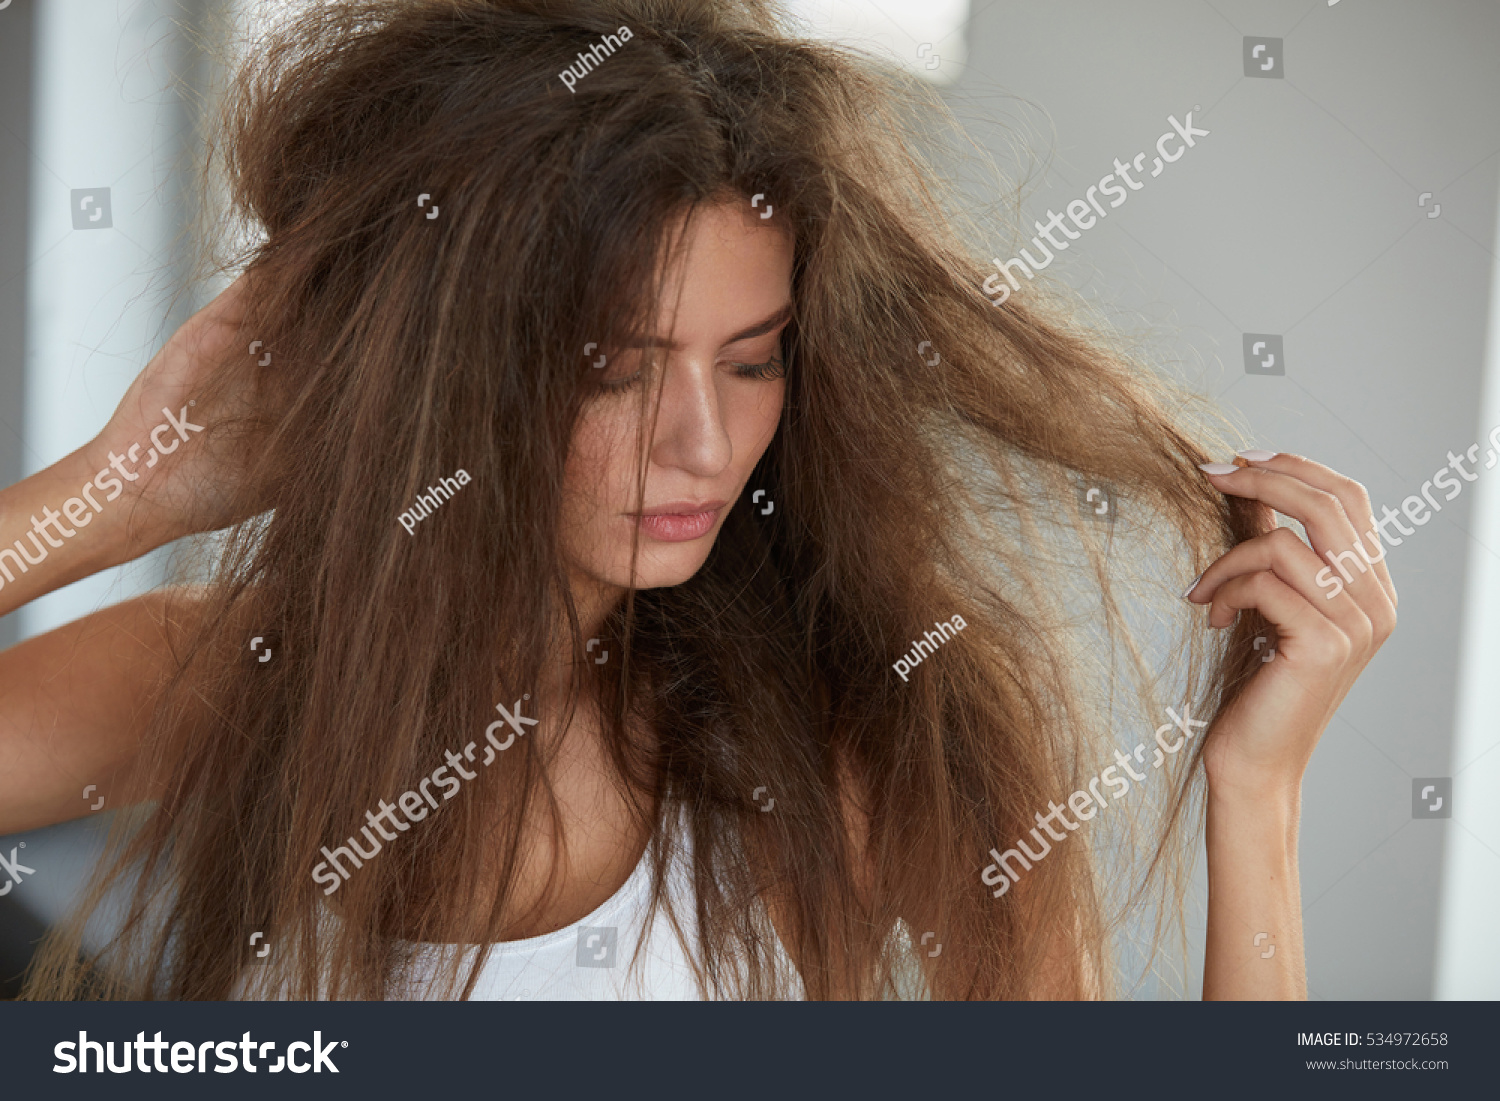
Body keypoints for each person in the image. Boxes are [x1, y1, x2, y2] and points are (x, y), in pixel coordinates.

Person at [1, 0, 1394, 1001]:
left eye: (752, 359)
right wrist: (117, 492)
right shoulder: (233, 677)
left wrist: (1255, 796)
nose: (703, 444)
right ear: (440, 373)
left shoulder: (861, 744)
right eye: (613, 367)